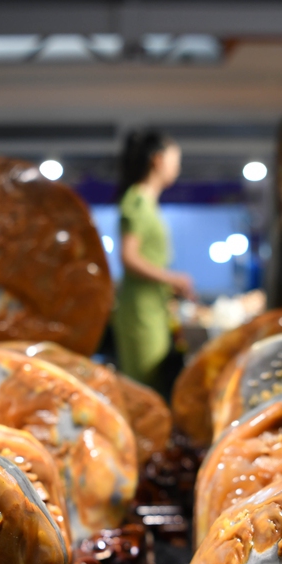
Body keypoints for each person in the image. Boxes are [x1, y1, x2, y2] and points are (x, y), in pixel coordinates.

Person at [112, 130, 196, 390]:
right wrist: (173, 278)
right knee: (144, 387)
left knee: (155, 381)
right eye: (175, 160)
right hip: (140, 310)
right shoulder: (136, 200)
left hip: (153, 307)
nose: (178, 167)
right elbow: (129, 256)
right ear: (158, 161)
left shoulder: (146, 203)